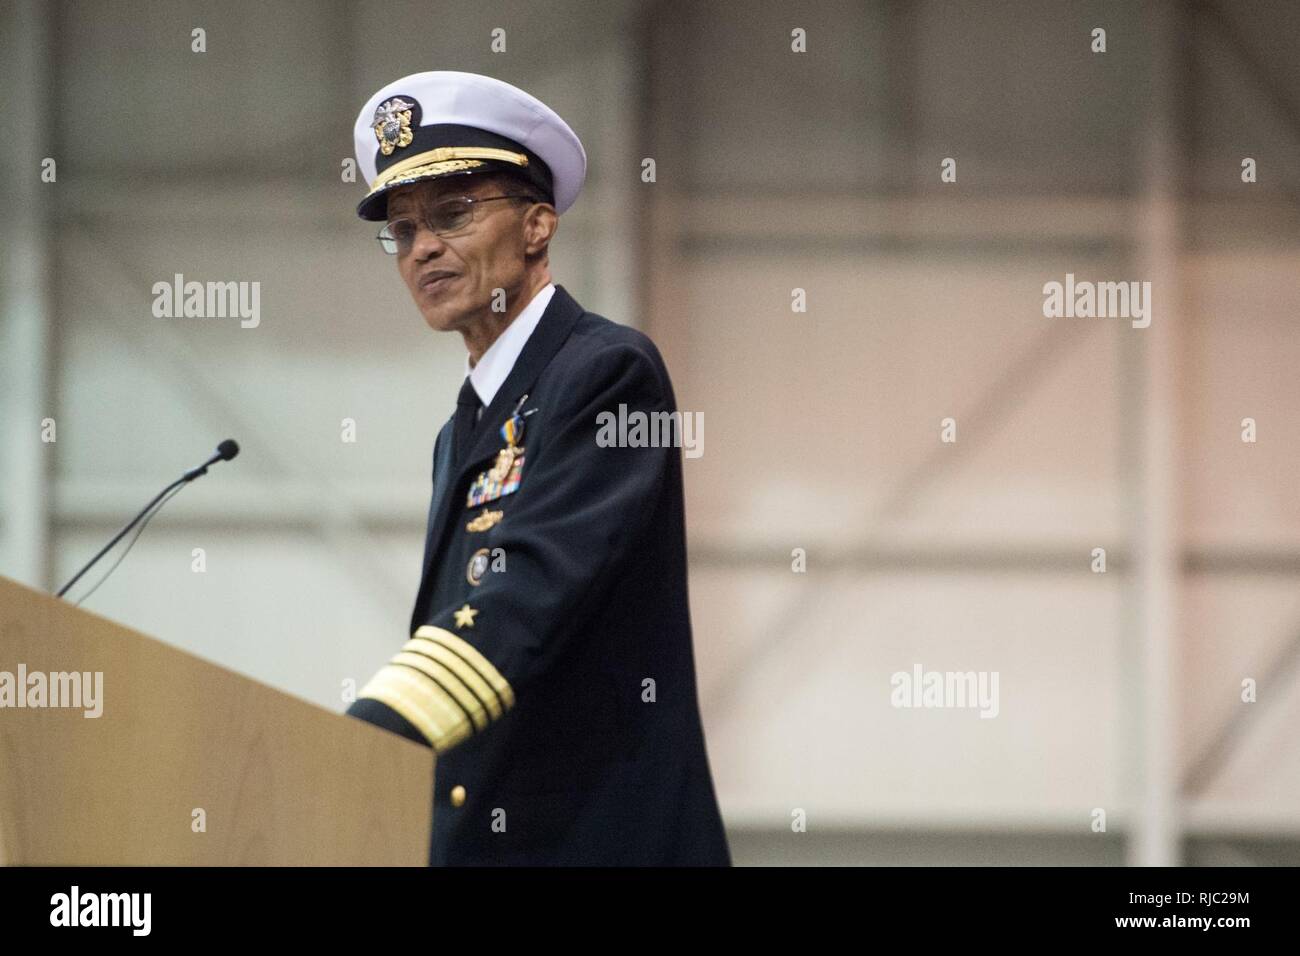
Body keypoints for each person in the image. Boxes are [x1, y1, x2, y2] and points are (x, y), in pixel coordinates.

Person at [344, 71, 730, 866]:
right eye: (402, 229)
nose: (422, 248)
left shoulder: (611, 372)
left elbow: (526, 594)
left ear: (537, 227)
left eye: (452, 214)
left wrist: (366, 738)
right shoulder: (460, 433)